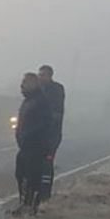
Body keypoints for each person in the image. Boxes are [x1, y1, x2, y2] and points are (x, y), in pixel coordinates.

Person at [14, 73, 53, 215]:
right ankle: (24, 202)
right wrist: (19, 135)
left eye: (25, 82)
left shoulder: (41, 102)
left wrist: (29, 136)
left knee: (32, 177)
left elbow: (45, 124)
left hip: (36, 147)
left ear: (33, 84)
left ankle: (31, 206)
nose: (21, 85)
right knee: (20, 174)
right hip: (25, 147)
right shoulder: (27, 101)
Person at [38, 65, 65, 201]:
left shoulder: (57, 90)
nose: (40, 77)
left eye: (43, 75)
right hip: (37, 135)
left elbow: (56, 112)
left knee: (46, 165)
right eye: (39, 74)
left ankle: (45, 196)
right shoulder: (38, 90)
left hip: (51, 136)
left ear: (50, 76)